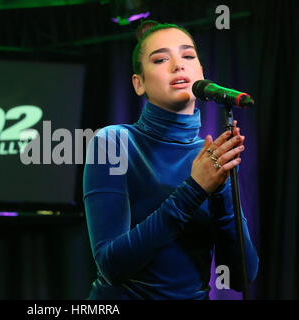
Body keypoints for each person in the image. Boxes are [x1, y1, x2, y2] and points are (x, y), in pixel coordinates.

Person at [83, 20, 259, 300]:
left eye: (188, 56)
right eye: (161, 59)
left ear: (202, 73)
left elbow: (241, 276)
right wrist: (194, 189)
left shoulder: (209, 156)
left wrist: (219, 189)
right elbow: (112, 265)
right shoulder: (113, 142)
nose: (178, 65)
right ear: (138, 83)